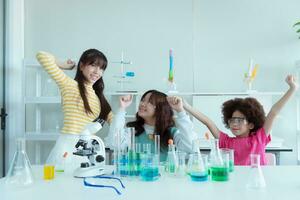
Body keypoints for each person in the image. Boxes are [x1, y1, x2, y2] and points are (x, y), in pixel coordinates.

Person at [183, 75, 298, 165]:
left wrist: (292, 88)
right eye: (232, 120)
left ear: (251, 125)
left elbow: (274, 112)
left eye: (239, 120)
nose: (234, 124)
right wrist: (186, 106)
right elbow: (208, 122)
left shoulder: (259, 138)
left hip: (256, 183)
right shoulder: (227, 142)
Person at [36, 49, 113, 168]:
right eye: (93, 65)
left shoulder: (98, 97)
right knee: (63, 183)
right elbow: (41, 55)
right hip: (68, 146)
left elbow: (112, 120)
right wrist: (66, 65)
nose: (97, 71)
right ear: (81, 66)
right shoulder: (69, 85)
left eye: (101, 68)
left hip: (87, 148)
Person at [105, 90, 197, 161]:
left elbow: (190, 146)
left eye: (149, 102)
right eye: (143, 100)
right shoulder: (133, 131)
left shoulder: (172, 132)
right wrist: (122, 108)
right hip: (138, 180)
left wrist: (180, 111)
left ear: (161, 109)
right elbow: (114, 143)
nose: (142, 104)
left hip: (165, 182)